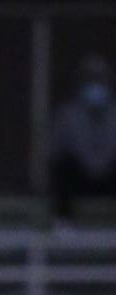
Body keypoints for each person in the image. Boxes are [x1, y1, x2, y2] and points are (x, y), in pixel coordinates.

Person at [50, 56, 116, 222]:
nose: (95, 86)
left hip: (109, 179)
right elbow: (53, 152)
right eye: (90, 79)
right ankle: (63, 222)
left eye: (99, 80)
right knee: (63, 167)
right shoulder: (66, 115)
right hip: (80, 180)